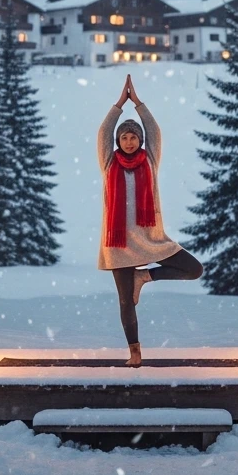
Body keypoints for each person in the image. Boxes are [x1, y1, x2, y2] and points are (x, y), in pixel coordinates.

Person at [97, 73, 203, 367]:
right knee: (125, 302)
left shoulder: (150, 160)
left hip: (151, 239)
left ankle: (146, 277)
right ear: (118, 141)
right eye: (124, 137)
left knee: (194, 269)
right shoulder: (108, 163)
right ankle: (135, 352)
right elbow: (103, 132)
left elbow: (154, 131)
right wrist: (119, 104)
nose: (129, 141)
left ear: (140, 141)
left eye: (133, 137)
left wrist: (138, 103)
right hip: (118, 243)